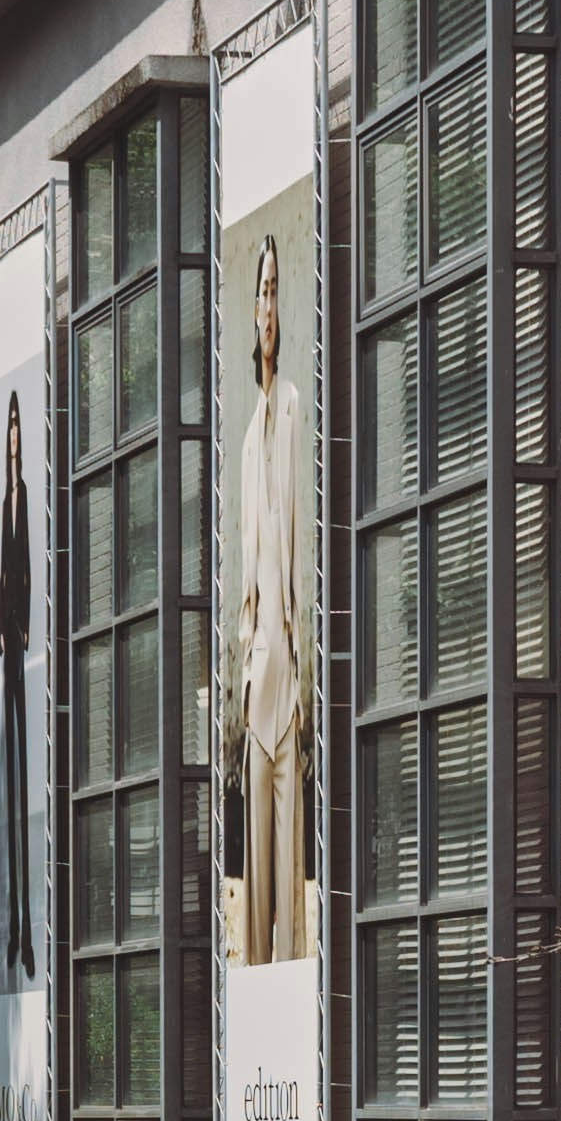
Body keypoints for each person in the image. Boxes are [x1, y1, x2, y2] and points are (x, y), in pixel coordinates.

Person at [223, 224, 312, 964]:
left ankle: (289, 981)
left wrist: (300, 659)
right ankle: (254, 983)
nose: (270, 305)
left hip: (288, 661)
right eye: (263, 290)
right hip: (256, 669)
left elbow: (299, 546)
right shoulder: (250, 433)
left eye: (279, 290)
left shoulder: (291, 408)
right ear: (251, 308)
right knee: (254, 863)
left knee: (290, 853)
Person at [0, 380, 38, 976]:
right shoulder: (2, 500)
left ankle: (27, 927)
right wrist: (2, 628)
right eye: (7, 425)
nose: (12, 435)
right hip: (6, 645)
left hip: (21, 644)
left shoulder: (24, 493)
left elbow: (23, 568)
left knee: (22, 777)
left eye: (17, 424)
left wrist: (23, 625)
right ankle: (14, 928)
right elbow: (3, 574)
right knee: (6, 786)